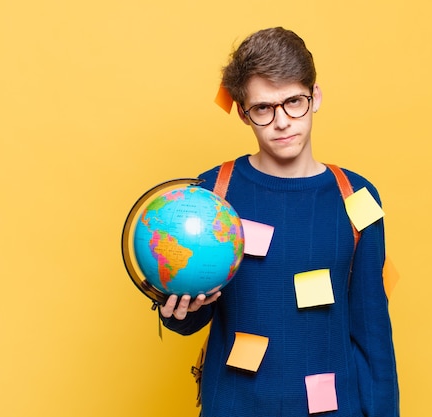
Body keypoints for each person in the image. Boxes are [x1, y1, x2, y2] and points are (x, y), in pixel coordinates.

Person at [160, 27, 399, 417]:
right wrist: (179, 313)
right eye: (263, 108)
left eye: (294, 102)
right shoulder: (211, 194)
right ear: (243, 112)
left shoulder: (356, 197)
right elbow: (195, 316)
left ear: (315, 97)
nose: (282, 121)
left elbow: (373, 332)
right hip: (234, 406)